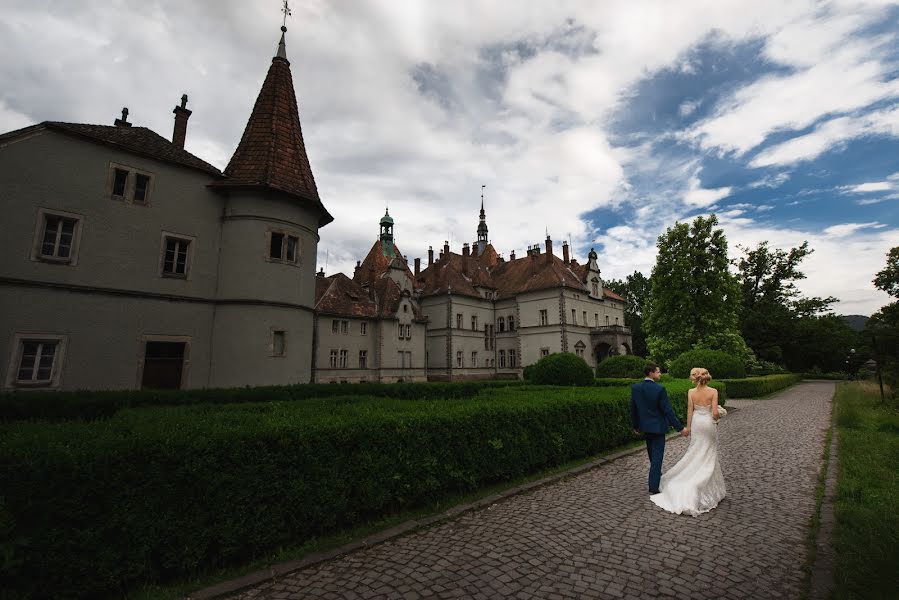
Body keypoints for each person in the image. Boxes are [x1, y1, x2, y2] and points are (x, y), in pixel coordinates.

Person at [650, 367, 726, 516]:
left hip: (697, 423)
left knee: (695, 449)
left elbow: (690, 411)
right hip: (708, 424)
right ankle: (704, 487)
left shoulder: (691, 392)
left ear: (695, 378)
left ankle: (684, 479)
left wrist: (689, 428)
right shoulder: (713, 391)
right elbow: (715, 413)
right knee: (708, 453)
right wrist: (718, 418)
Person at [630, 362, 689, 495]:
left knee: (652, 455)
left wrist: (636, 426)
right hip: (658, 428)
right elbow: (668, 411)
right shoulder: (659, 389)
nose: (660, 374)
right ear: (650, 373)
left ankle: (657, 478)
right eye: (658, 371)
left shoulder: (636, 388)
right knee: (657, 457)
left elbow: (633, 409)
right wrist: (680, 428)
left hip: (645, 427)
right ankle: (653, 486)